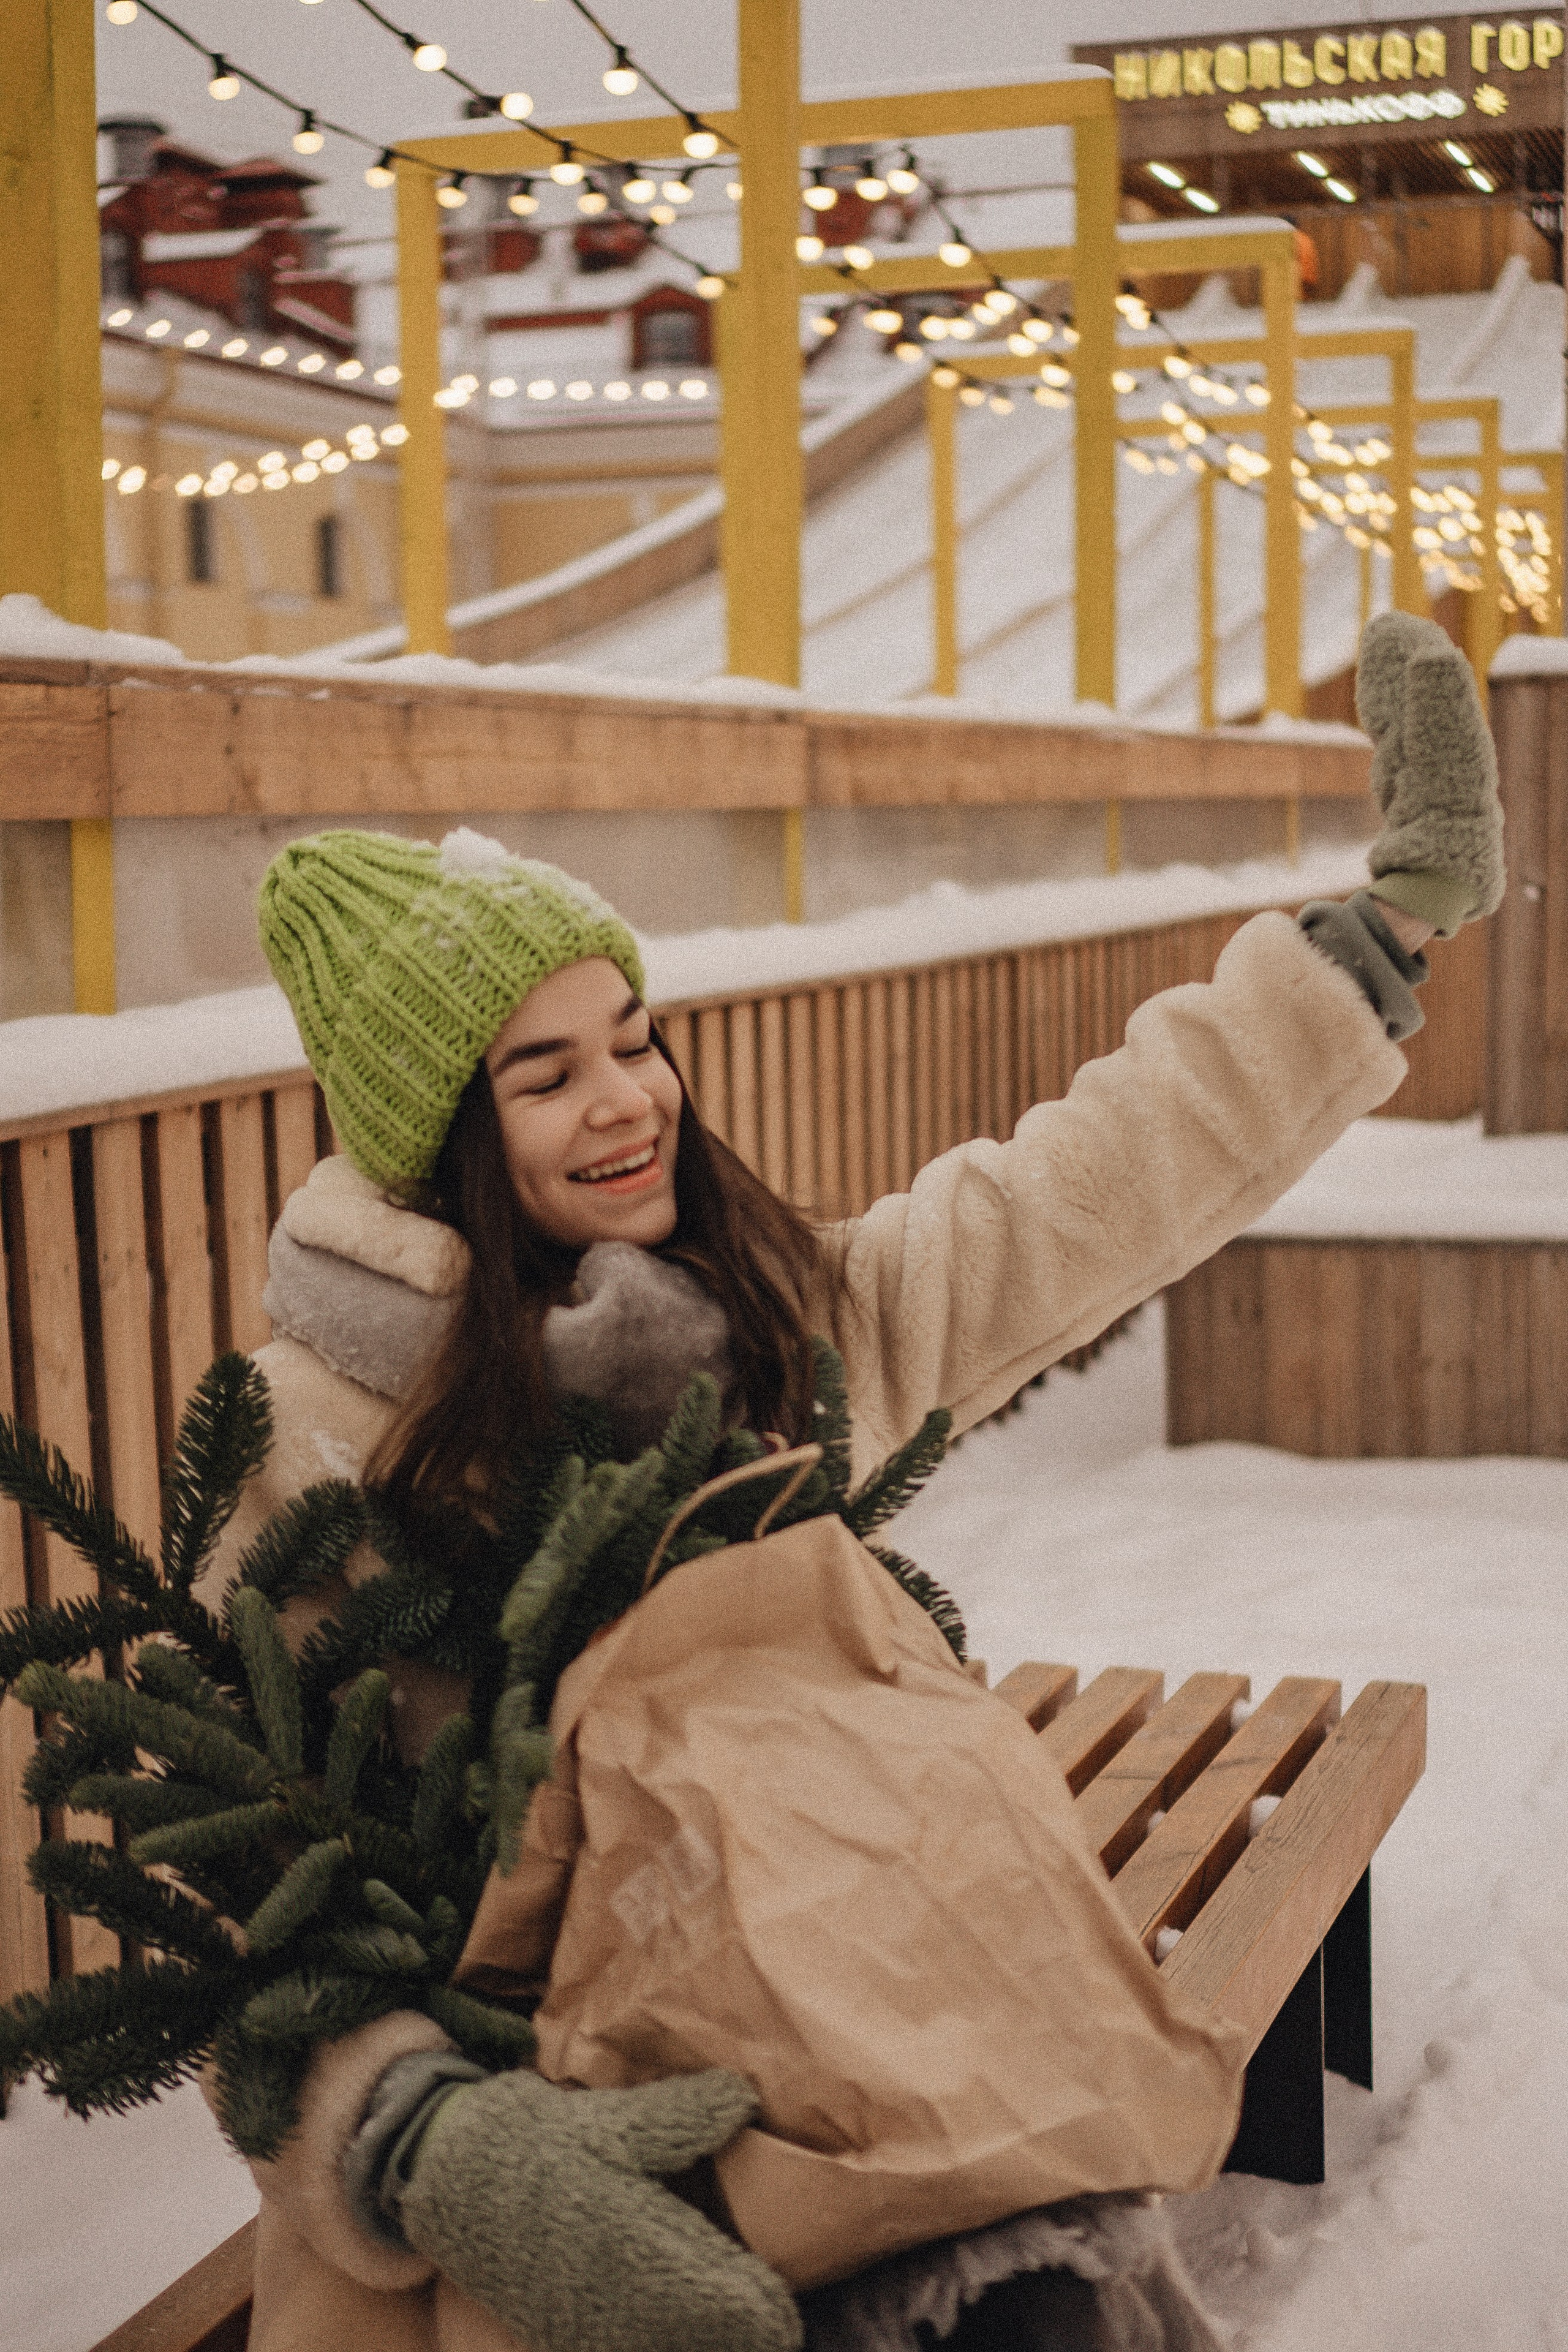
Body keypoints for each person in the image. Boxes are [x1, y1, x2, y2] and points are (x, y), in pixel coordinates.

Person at [213, 612, 1502, 2352]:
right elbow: (233, 1886)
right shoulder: (310, 1434)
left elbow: (1081, 1186)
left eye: (635, 1039)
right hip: (564, 2147)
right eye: (546, 1073)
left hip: (845, 2038)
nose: (627, 1101)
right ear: (437, 1132)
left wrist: (1384, 928)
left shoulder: (746, 1329)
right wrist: (425, 2140)